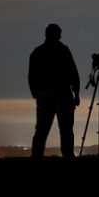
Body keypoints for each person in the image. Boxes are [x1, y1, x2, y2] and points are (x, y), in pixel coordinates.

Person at [28, 23, 80, 159]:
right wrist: (76, 94)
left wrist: (37, 94)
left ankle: (36, 157)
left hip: (46, 96)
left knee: (42, 131)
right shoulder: (63, 50)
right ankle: (68, 156)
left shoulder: (37, 52)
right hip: (62, 96)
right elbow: (73, 73)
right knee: (66, 130)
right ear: (57, 35)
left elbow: (31, 76)